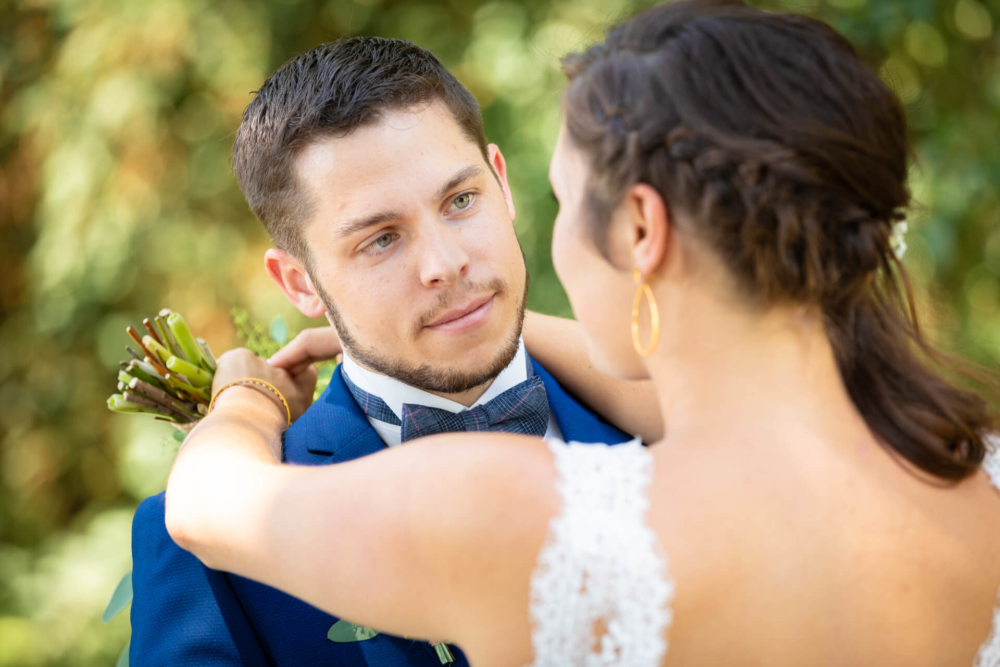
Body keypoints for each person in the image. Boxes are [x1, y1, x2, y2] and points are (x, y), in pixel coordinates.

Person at [164, 1, 1000, 665]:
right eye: (380, 238)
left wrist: (245, 394)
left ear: (641, 230)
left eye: (558, 200)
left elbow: (206, 505)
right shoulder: (973, 476)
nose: (451, 263)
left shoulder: (517, 509)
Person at [128, 37, 660, 667]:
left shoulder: (682, 425)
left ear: (503, 184)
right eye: (381, 240)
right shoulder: (209, 551)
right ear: (299, 282)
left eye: (461, 201)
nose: (446, 263)